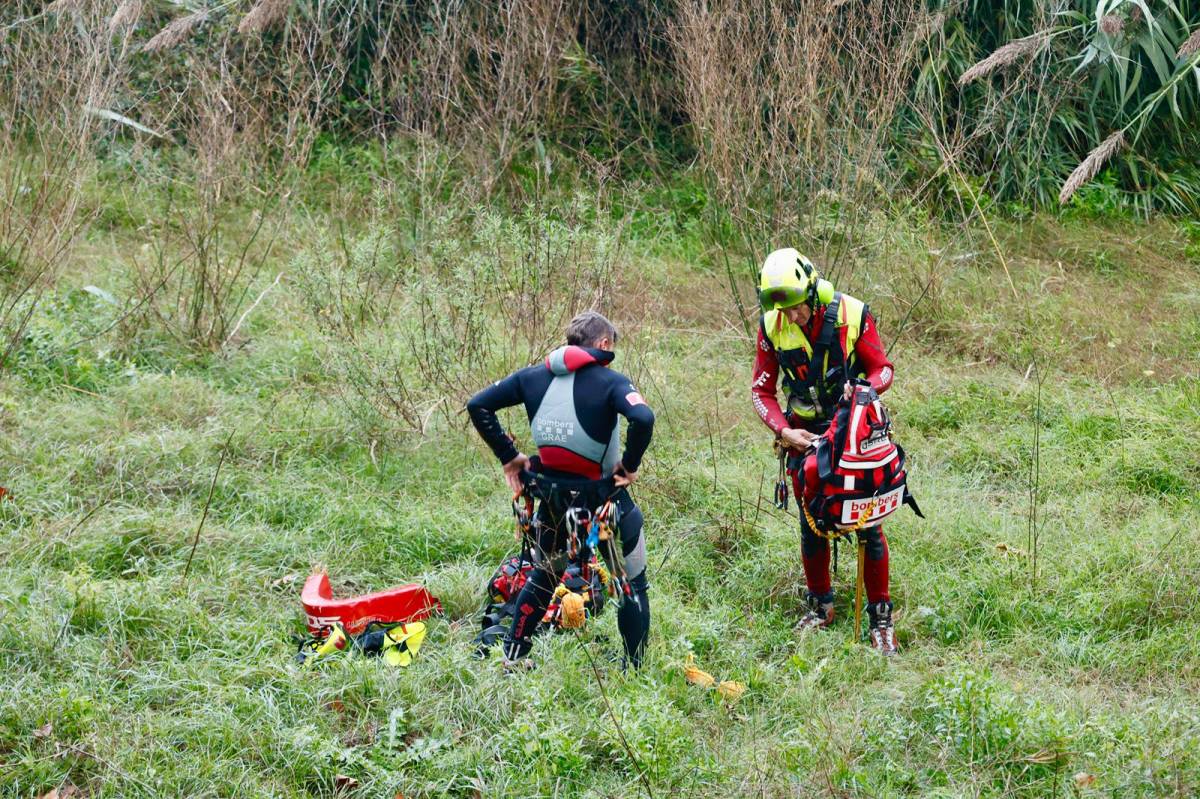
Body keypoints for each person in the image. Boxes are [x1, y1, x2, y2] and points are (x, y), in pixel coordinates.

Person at [467, 311, 655, 668]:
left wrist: (509, 456)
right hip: (604, 505)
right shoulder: (612, 383)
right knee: (628, 581)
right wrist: (629, 467)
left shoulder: (531, 377)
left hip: (553, 503)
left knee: (545, 574)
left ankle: (514, 655)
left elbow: (479, 405)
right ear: (603, 345)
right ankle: (634, 668)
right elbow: (643, 419)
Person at [749, 248, 900, 655]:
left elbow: (882, 368)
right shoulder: (771, 325)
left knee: (868, 522)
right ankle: (821, 605)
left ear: (812, 292)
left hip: (853, 433)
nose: (791, 317)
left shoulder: (852, 314)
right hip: (804, 438)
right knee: (811, 522)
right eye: (782, 309)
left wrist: (866, 390)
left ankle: (881, 618)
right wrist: (784, 432)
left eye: (796, 308)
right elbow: (760, 391)